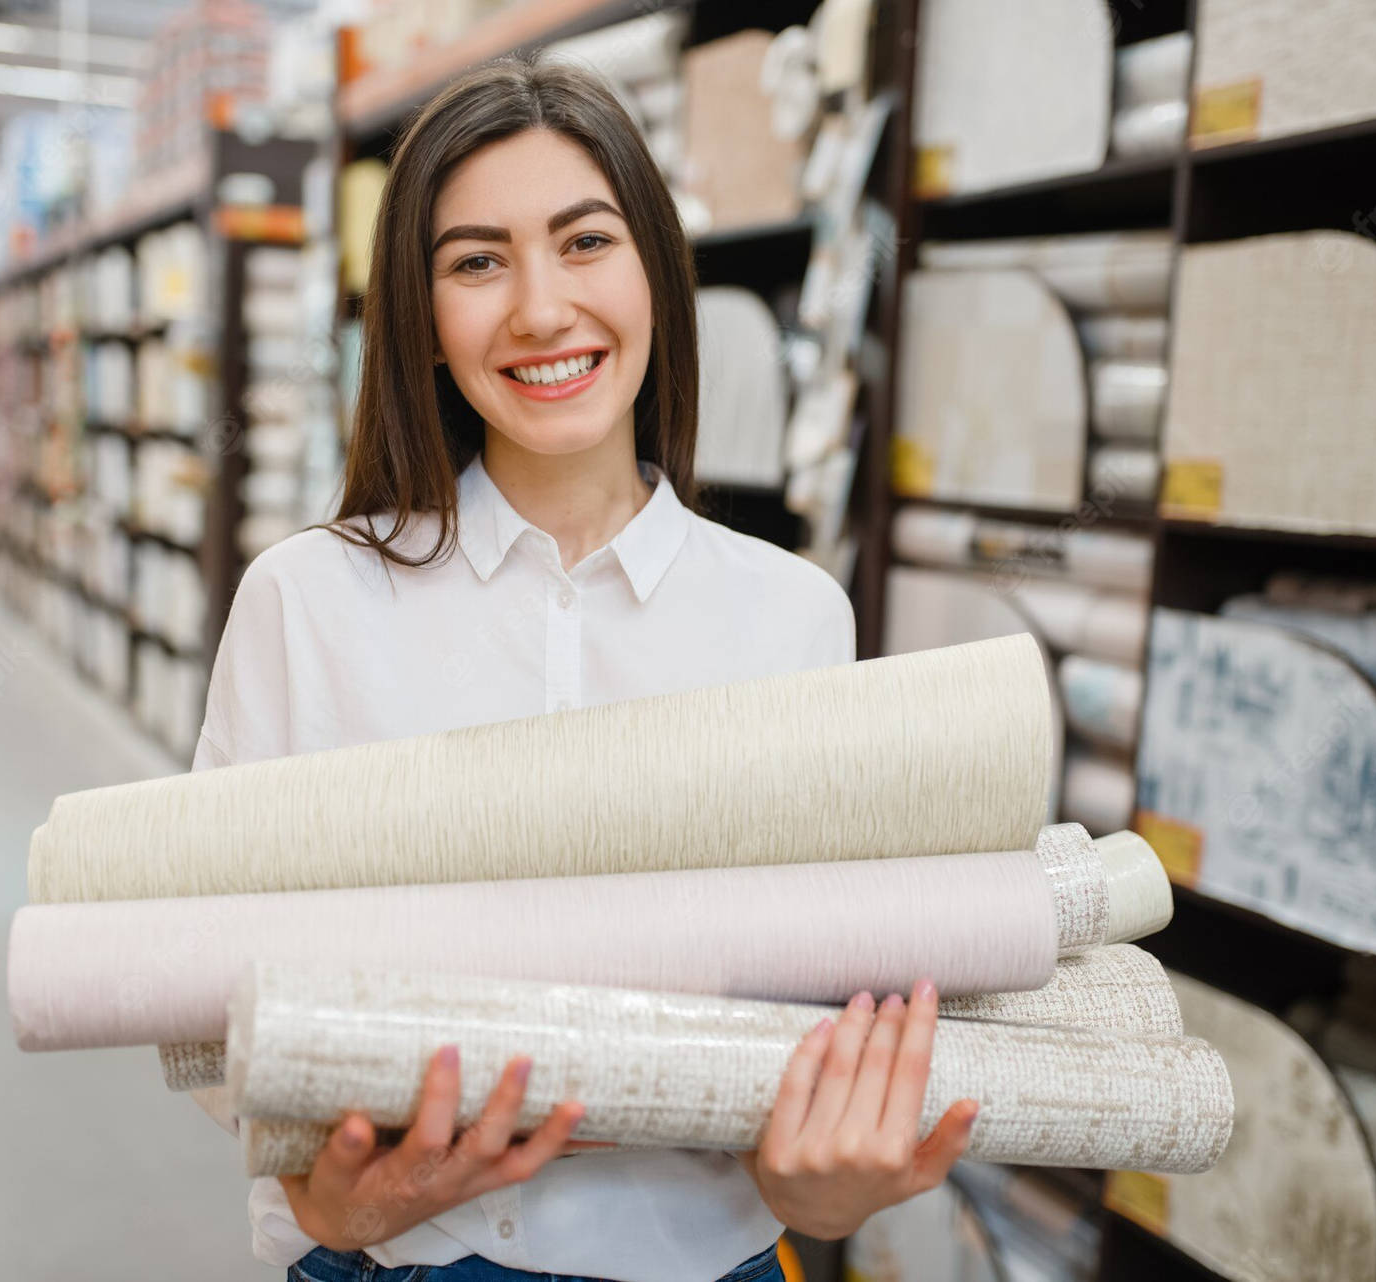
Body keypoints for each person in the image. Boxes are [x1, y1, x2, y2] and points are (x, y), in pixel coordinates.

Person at [191, 57, 978, 1282]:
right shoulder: (309, 601)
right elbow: (198, 991)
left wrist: (813, 1188)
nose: (542, 308)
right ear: (419, 315)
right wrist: (322, 1193)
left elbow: (822, 1025)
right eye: (476, 261)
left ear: (658, 271)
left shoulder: (791, 622)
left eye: (585, 241)